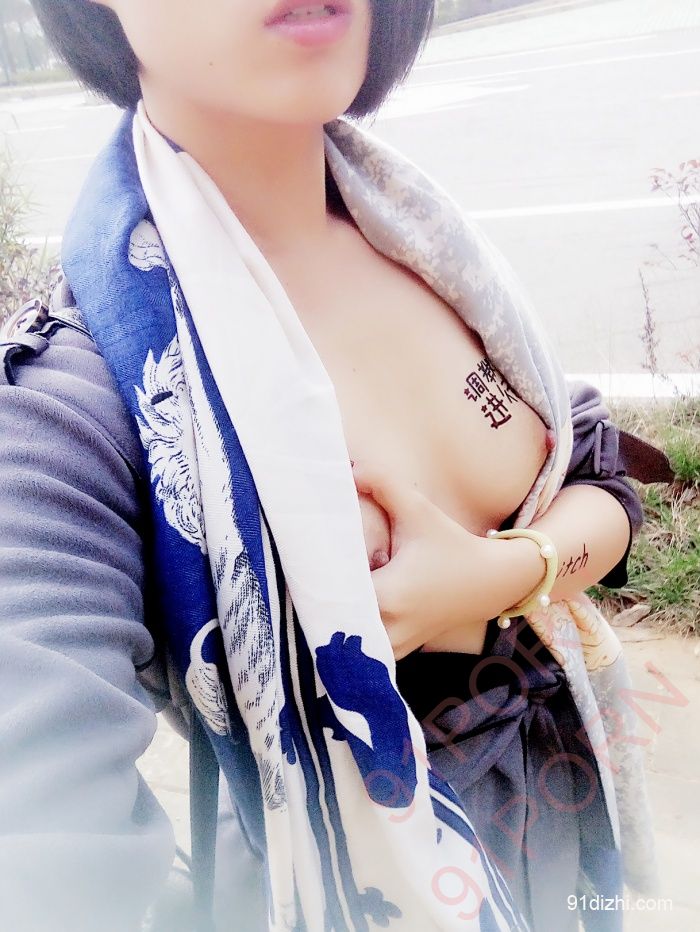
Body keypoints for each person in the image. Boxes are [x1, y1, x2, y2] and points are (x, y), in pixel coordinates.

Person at [0, 2, 656, 930]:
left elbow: (605, 480)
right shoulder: (75, 401)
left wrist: (503, 573)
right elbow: (42, 842)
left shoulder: (429, 244)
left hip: (563, 829)